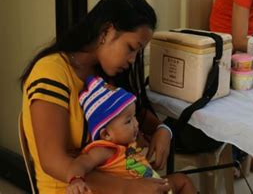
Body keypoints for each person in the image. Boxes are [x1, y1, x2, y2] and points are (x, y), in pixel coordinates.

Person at [20, 0, 193, 193]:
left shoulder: (103, 75)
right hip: (72, 188)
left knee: (182, 183)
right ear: (106, 32)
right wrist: (130, 189)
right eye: (130, 48)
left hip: (118, 181)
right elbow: (53, 161)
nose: (132, 60)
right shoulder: (52, 72)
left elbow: (138, 116)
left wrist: (164, 130)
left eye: (137, 53)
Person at [66, 76, 195, 194]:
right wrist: (76, 180)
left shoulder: (128, 143)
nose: (136, 123)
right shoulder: (103, 149)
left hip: (153, 185)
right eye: (128, 121)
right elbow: (81, 163)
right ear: (106, 134)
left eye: (134, 117)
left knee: (182, 181)